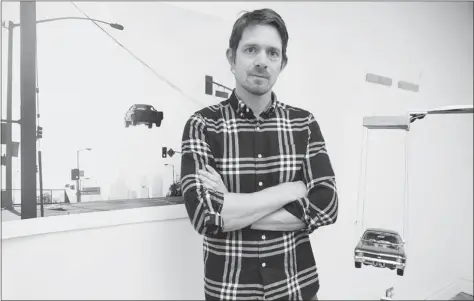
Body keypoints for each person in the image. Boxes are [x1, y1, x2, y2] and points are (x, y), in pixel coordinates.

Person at [180, 8, 338, 300]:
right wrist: (292, 190)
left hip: (297, 289)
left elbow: (327, 205)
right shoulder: (202, 125)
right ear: (232, 58)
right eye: (251, 49)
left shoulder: (304, 124)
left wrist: (231, 208)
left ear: (283, 63)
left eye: (272, 53)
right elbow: (204, 215)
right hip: (230, 291)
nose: (262, 61)